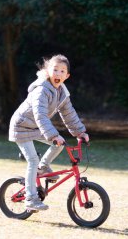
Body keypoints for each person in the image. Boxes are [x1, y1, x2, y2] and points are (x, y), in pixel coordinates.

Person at [9, 54, 89, 211]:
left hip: (35, 127)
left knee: (60, 144)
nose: (58, 74)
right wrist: (53, 135)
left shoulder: (62, 92)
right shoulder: (41, 90)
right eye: (55, 70)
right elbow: (40, 115)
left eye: (62, 71)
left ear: (67, 76)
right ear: (47, 71)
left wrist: (80, 132)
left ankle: (43, 166)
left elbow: (69, 114)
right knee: (32, 159)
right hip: (21, 126)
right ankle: (31, 199)